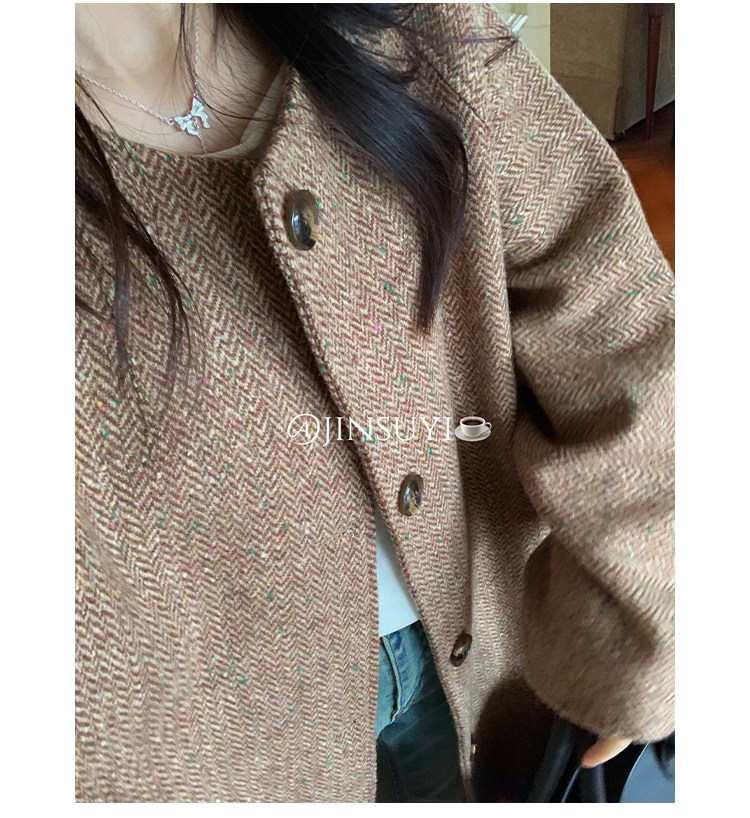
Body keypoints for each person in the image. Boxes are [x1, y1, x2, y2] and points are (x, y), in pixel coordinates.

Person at [75, 2, 675, 803]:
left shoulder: (410, 23)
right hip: (210, 746)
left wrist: (649, 595)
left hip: (493, 645)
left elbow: (613, 304)